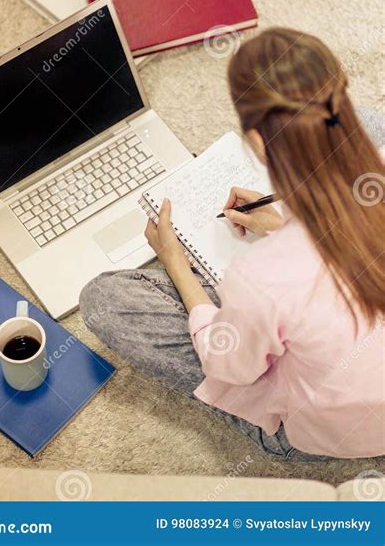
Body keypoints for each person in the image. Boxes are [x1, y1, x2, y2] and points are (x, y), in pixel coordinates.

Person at [80, 28, 385, 459]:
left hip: (323, 431)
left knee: (104, 299)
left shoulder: (262, 277)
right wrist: (287, 228)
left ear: (259, 142)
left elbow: (228, 365)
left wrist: (176, 265)